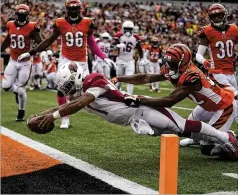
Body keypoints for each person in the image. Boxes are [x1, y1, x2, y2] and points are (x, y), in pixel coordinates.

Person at [29, 61, 238, 160]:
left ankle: (227, 138)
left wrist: (54, 116)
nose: (67, 92)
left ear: (77, 77)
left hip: (142, 110)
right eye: (64, 89)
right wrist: (44, 114)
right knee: (180, 132)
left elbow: (80, 103)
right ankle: (220, 138)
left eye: (68, 86)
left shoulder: (94, 80)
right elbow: (65, 104)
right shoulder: (79, 90)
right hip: (133, 119)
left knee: (182, 125)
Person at [111, 43, 237, 157]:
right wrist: (120, 78)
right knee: (188, 127)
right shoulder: (172, 68)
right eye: (168, 61)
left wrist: (140, 100)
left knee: (206, 148)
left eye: (172, 63)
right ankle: (197, 138)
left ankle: (230, 136)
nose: (168, 65)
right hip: (206, 105)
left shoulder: (192, 76)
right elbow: (147, 77)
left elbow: (171, 100)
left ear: (182, 63)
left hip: (224, 106)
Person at [18, 0, 115, 129]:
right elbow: (48, 41)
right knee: (61, 89)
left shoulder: (88, 23)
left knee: (84, 92)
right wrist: (31, 53)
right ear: (67, 9)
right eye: (71, 9)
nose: (74, 11)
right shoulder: (60, 23)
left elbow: (91, 42)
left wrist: (103, 57)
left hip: (82, 60)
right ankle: (64, 118)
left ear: (80, 9)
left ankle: (103, 109)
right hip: (66, 58)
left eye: (76, 8)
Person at [196, 3, 238, 121]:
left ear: (224, 15)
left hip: (231, 73)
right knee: (234, 97)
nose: (217, 18)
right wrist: (203, 60)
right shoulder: (207, 31)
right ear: (210, 18)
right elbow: (198, 54)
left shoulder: (234, 29)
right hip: (216, 73)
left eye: (219, 15)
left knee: (225, 103)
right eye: (214, 16)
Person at [1, 4, 43, 121]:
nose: (21, 17)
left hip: (25, 62)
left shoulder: (32, 26)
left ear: (27, 15)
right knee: (6, 86)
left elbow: (41, 42)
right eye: (20, 14)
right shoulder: (10, 24)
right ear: (16, 14)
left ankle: (21, 112)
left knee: (21, 90)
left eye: (24, 14)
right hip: (13, 60)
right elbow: (8, 39)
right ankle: (17, 91)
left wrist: (34, 52)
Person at [112, 20, 143, 94]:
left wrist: (142, 58)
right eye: (126, 28)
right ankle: (116, 94)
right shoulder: (119, 36)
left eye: (129, 29)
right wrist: (117, 46)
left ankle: (130, 95)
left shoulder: (135, 37)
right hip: (120, 60)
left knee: (130, 79)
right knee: (118, 80)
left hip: (129, 61)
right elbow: (111, 46)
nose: (128, 31)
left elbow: (140, 48)